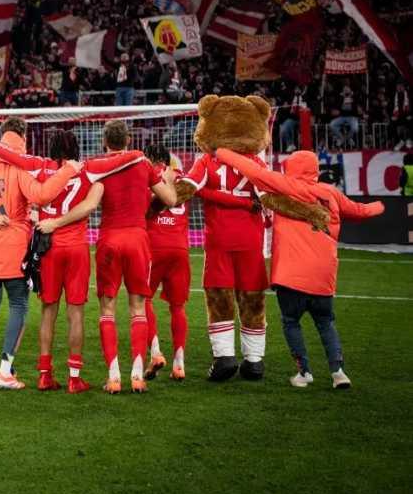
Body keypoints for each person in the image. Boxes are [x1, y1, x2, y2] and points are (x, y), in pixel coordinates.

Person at [215, 148, 384, 389]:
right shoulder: (331, 193)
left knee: (291, 322)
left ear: (291, 167)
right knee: (325, 323)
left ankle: (304, 372)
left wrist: (221, 151)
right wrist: (380, 206)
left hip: (290, 275)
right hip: (323, 277)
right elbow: (360, 211)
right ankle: (338, 372)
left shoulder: (285, 185)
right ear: (315, 169)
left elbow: (252, 171)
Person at [0, 118, 84, 390]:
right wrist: (68, 170)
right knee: (18, 305)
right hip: (13, 247)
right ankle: (5, 370)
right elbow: (42, 195)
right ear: (23, 137)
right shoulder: (21, 167)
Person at [1, 130, 102, 393]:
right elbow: (90, 204)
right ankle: (74, 378)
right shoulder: (87, 171)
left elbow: (4, 154)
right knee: (76, 313)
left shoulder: (41, 167)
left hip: (49, 247)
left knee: (48, 310)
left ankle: (45, 375)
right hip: (76, 247)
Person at [91, 120, 176, 393]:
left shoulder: (99, 167)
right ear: (128, 140)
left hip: (109, 239)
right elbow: (170, 199)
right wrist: (167, 182)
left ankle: (114, 377)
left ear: (105, 142)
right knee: (138, 308)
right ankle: (137, 374)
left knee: (107, 310)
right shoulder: (143, 164)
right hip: (138, 239)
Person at [179, 136, 269, 381]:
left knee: (219, 295)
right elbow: (270, 196)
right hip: (251, 239)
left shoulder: (207, 160)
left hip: (219, 238)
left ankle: (225, 357)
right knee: (252, 296)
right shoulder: (256, 162)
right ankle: (254, 361)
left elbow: (188, 186)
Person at [142, 144, 191, 381]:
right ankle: (179, 364)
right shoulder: (182, 178)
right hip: (180, 248)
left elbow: (145, 209)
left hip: (155, 246)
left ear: (150, 159)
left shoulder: (148, 177)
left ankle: (155, 352)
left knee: (143, 300)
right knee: (178, 307)